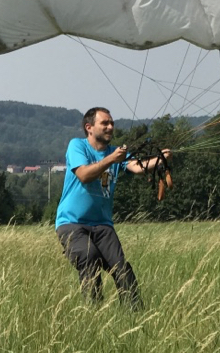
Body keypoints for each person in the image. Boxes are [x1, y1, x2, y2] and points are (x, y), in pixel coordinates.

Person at [55, 107, 172, 309]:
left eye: (112, 123)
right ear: (89, 127)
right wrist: (111, 159)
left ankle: (135, 313)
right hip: (71, 223)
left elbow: (136, 167)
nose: (110, 127)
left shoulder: (116, 153)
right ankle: (94, 313)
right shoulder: (78, 146)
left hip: (102, 225)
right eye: (105, 123)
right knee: (88, 257)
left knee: (122, 268)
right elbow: (84, 174)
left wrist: (160, 158)